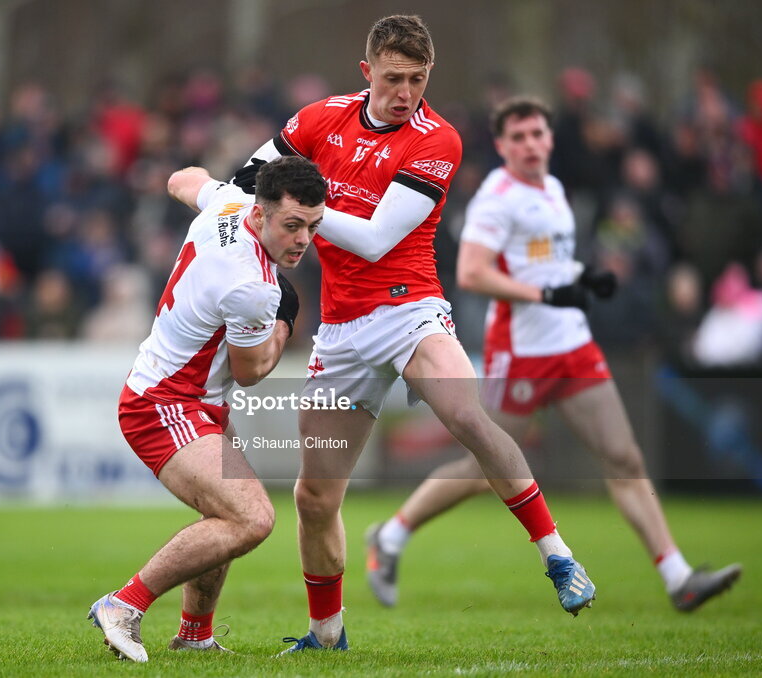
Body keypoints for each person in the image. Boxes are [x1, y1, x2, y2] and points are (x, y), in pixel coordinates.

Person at [234, 16, 595, 654]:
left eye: (419, 80)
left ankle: (558, 555)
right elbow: (250, 180)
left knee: (468, 416)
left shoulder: (438, 139)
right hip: (340, 330)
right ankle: (327, 635)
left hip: (408, 309)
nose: (406, 93)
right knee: (314, 496)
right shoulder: (321, 119)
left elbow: (375, 240)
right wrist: (224, 202)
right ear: (366, 71)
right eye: (394, 78)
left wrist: (296, 211)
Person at [364, 96, 742, 612]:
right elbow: (472, 273)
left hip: (572, 345)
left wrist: (584, 278)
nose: (530, 144)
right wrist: (545, 294)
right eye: (518, 137)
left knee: (625, 458)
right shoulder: (496, 198)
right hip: (521, 353)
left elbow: (546, 262)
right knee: (483, 468)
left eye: (537, 134)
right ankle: (390, 535)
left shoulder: (555, 189)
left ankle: (679, 579)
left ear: (550, 138)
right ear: (502, 146)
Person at [87, 156, 326, 662]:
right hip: (166, 403)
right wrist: (285, 322)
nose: (303, 239)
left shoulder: (229, 203)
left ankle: (195, 636)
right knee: (252, 518)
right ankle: (123, 604)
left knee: (224, 512)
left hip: (188, 397)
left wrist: (224, 188)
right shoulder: (253, 288)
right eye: (292, 225)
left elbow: (181, 179)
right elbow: (251, 371)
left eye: (313, 226)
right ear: (261, 215)